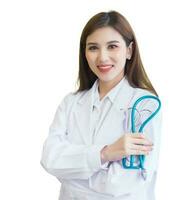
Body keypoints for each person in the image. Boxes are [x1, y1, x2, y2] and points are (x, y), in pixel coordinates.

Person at [40, 10, 162, 200]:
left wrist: (71, 173)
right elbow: (49, 160)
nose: (102, 57)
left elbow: (123, 184)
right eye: (93, 48)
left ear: (129, 50)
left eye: (112, 46)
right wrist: (106, 154)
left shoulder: (145, 105)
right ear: (85, 53)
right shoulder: (70, 103)